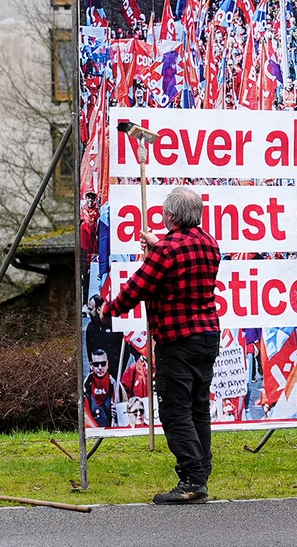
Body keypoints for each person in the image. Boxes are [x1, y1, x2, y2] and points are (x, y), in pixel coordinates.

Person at [100, 186, 221, 504]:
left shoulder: (166, 251)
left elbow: (137, 288)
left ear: (169, 215)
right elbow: (181, 260)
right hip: (207, 336)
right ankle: (201, 475)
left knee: (175, 411)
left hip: (177, 340)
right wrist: (157, 245)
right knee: (198, 409)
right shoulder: (209, 243)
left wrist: (107, 309)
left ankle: (192, 481)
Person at [84, 351, 116, 428]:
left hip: (112, 433)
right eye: (96, 364)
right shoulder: (86, 387)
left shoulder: (115, 386)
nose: (100, 367)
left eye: (103, 363)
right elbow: (84, 413)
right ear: (91, 365)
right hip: (93, 433)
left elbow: (125, 414)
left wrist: (118, 413)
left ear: (107, 364)